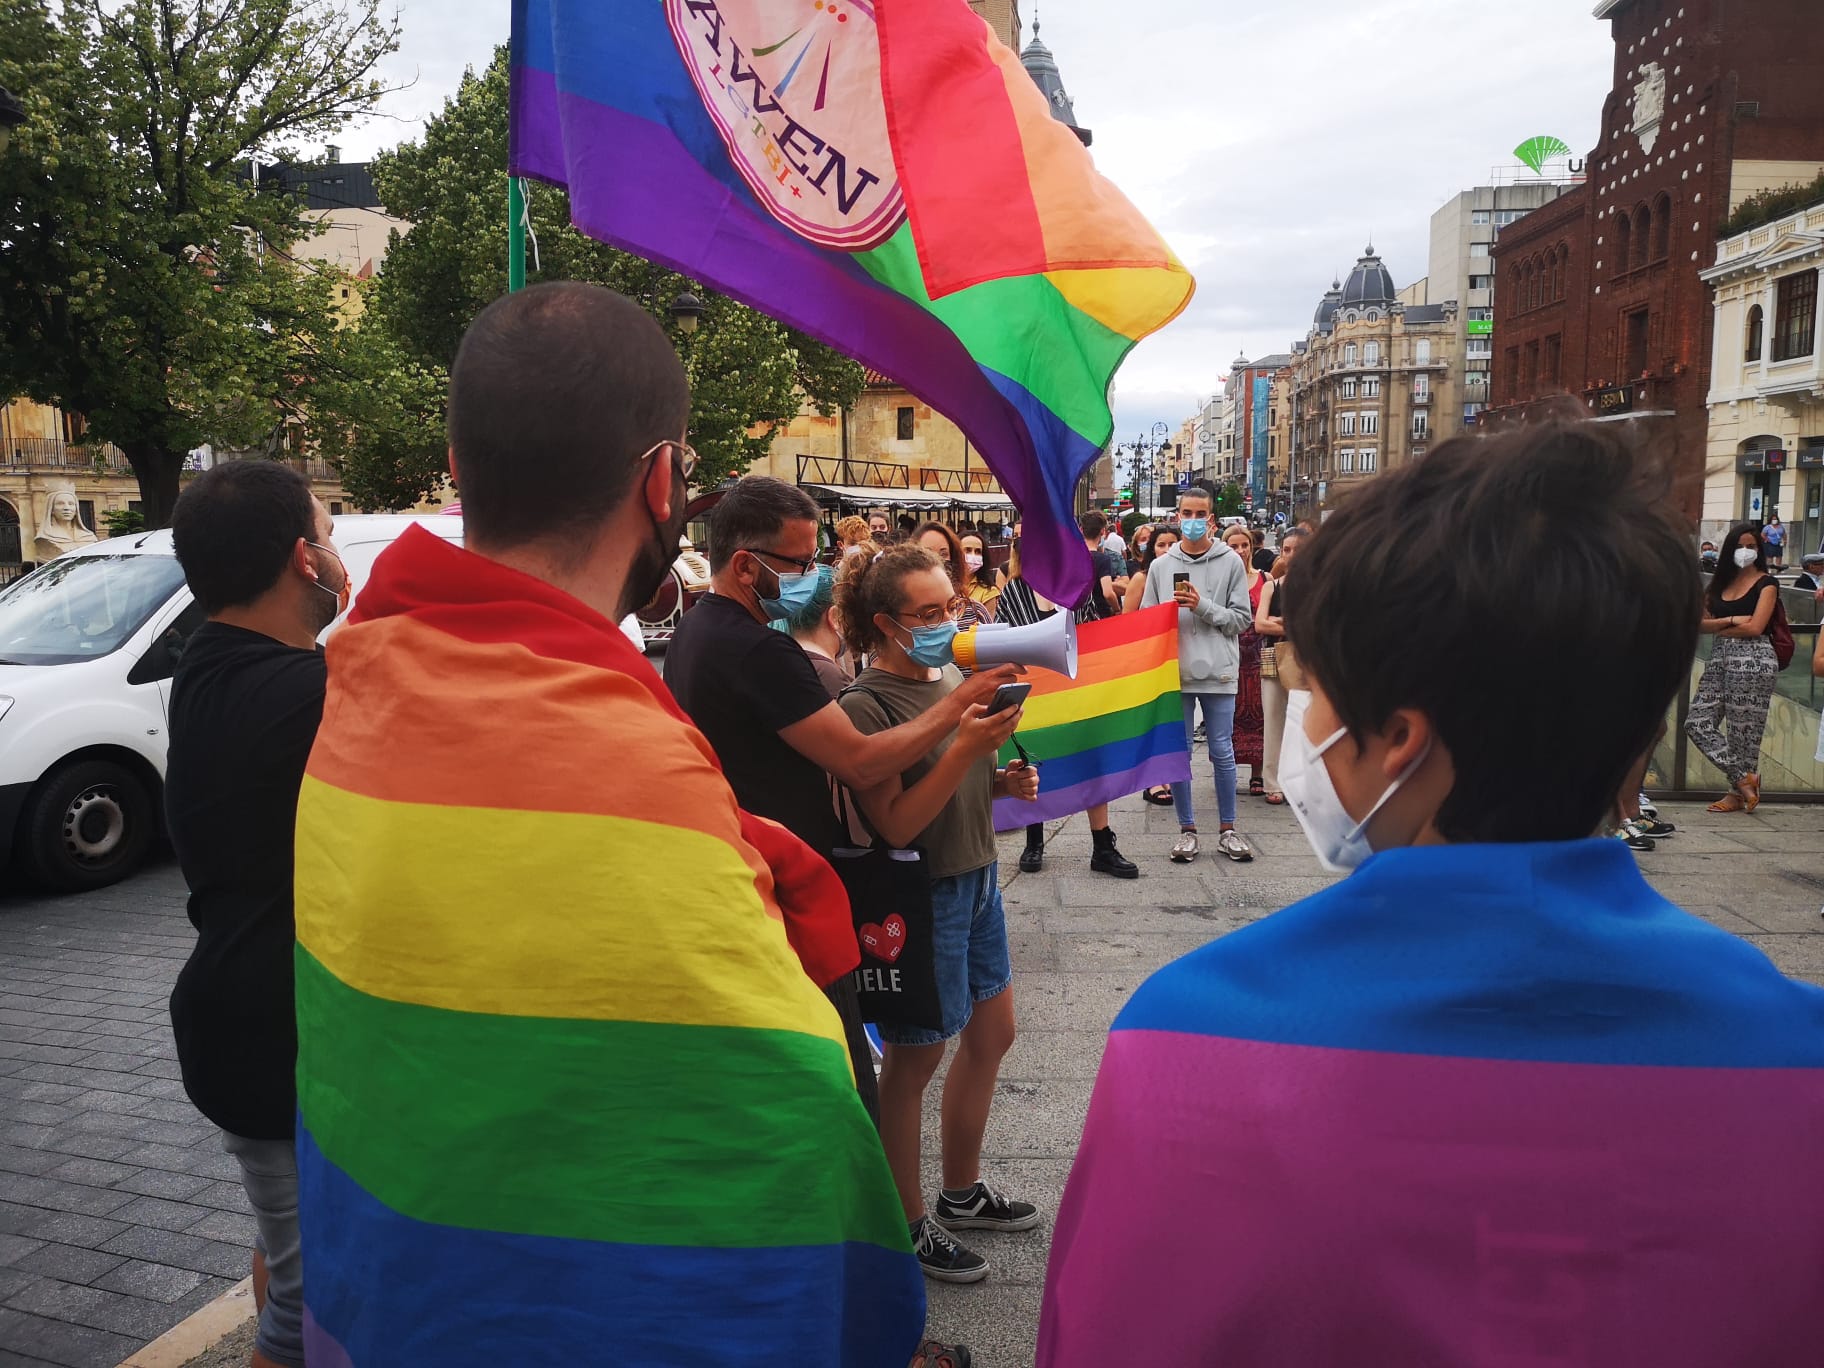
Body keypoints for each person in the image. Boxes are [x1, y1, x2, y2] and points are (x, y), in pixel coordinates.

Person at [1038, 417, 1824, 1368]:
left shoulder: (1185, 1040)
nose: (1306, 730)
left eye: (1315, 691)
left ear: (1398, 742)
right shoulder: (1799, 1054)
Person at [291, 283, 925, 1366]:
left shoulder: (358, 681)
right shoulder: (623, 748)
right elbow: (792, 1118)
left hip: (394, 1293)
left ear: (459, 457)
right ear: (664, 479)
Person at [666, 478, 1017, 1127]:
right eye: (801, 562)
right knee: (858, 1078)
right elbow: (859, 760)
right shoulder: (760, 652)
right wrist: (959, 715)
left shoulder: (698, 631)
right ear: (746, 565)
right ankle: (896, 1223)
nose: (819, 575)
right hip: (787, 882)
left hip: (756, 871)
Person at [164, 461, 349, 1368]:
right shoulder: (305, 698)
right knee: (307, 1311)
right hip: (272, 1034)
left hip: (236, 1014)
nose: (337, 551)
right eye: (327, 532)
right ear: (302, 561)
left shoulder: (213, 664)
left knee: (285, 1249)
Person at [836, 544, 1045, 1286]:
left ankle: (960, 1192)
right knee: (916, 1058)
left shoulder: (949, 676)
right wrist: (964, 746)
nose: (946, 625)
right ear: (886, 623)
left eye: (951, 608)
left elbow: (958, 788)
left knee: (994, 1030)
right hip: (925, 894)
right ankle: (907, 1221)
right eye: (927, 615)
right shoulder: (867, 704)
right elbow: (895, 822)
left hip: (978, 877)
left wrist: (1002, 782)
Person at [996, 538, 1140, 881]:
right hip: (1037, 694)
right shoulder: (1014, 592)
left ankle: (1102, 846)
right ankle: (1034, 840)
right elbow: (1006, 638)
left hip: (1078, 689)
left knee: (1093, 759)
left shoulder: (1078, 589)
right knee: (1033, 759)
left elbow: (1093, 634)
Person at [1141, 486, 1255, 863]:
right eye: (1185, 513)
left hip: (1219, 671)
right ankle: (1186, 830)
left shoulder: (1230, 563)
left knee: (1222, 750)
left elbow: (1242, 619)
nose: (1191, 521)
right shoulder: (1161, 566)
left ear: (1211, 519)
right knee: (1181, 752)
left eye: (1199, 514)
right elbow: (1146, 623)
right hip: (1175, 672)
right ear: (1178, 515)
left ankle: (1228, 829)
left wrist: (1202, 606)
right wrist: (1164, 618)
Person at [1686, 521, 1780, 814]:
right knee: (1696, 722)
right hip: (1720, 659)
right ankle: (1744, 778)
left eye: (1752, 546)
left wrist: (1726, 626)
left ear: (1760, 550)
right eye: (1740, 546)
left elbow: (1755, 627)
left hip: (1754, 660)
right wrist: (1729, 622)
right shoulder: (1719, 583)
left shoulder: (1767, 583)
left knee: (1744, 732)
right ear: (1729, 550)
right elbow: (1699, 623)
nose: (1745, 551)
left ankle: (1737, 793)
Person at [1254, 526, 1308, 806]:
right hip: (1275, 657)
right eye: (1286, 550)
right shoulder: (1272, 586)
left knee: (1306, 723)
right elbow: (1260, 623)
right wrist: (1293, 624)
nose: (1290, 555)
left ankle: (1302, 783)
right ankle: (1272, 781)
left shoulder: (1320, 584)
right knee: (1274, 721)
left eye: (1297, 549)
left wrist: (1280, 622)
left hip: (1309, 660)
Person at [1224, 522, 1268, 798]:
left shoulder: (1264, 578)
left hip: (1259, 658)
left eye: (1245, 545)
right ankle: (1226, 771)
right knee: (1229, 717)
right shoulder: (1223, 578)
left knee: (1261, 713)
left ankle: (1257, 774)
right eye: (1234, 546)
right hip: (1230, 655)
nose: (1240, 551)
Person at [914, 521, 992, 628]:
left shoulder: (975, 612)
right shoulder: (905, 615)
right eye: (928, 553)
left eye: (943, 554)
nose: (937, 560)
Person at [32, 482, 99, 562]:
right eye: (60, 504)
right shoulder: (45, 538)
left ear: (76, 509)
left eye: (71, 504)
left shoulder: (89, 537)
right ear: (51, 509)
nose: (67, 508)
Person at [1076, 511, 1126, 618]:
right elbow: (1107, 592)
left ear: (1081, 530)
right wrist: (1117, 609)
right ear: (1103, 532)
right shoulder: (1102, 559)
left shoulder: (1072, 557)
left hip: (1077, 614)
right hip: (1099, 614)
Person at [958, 530, 1001, 619]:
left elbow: (987, 627)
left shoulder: (989, 591)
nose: (973, 555)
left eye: (978, 551)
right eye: (967, 550)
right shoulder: (945, 585)